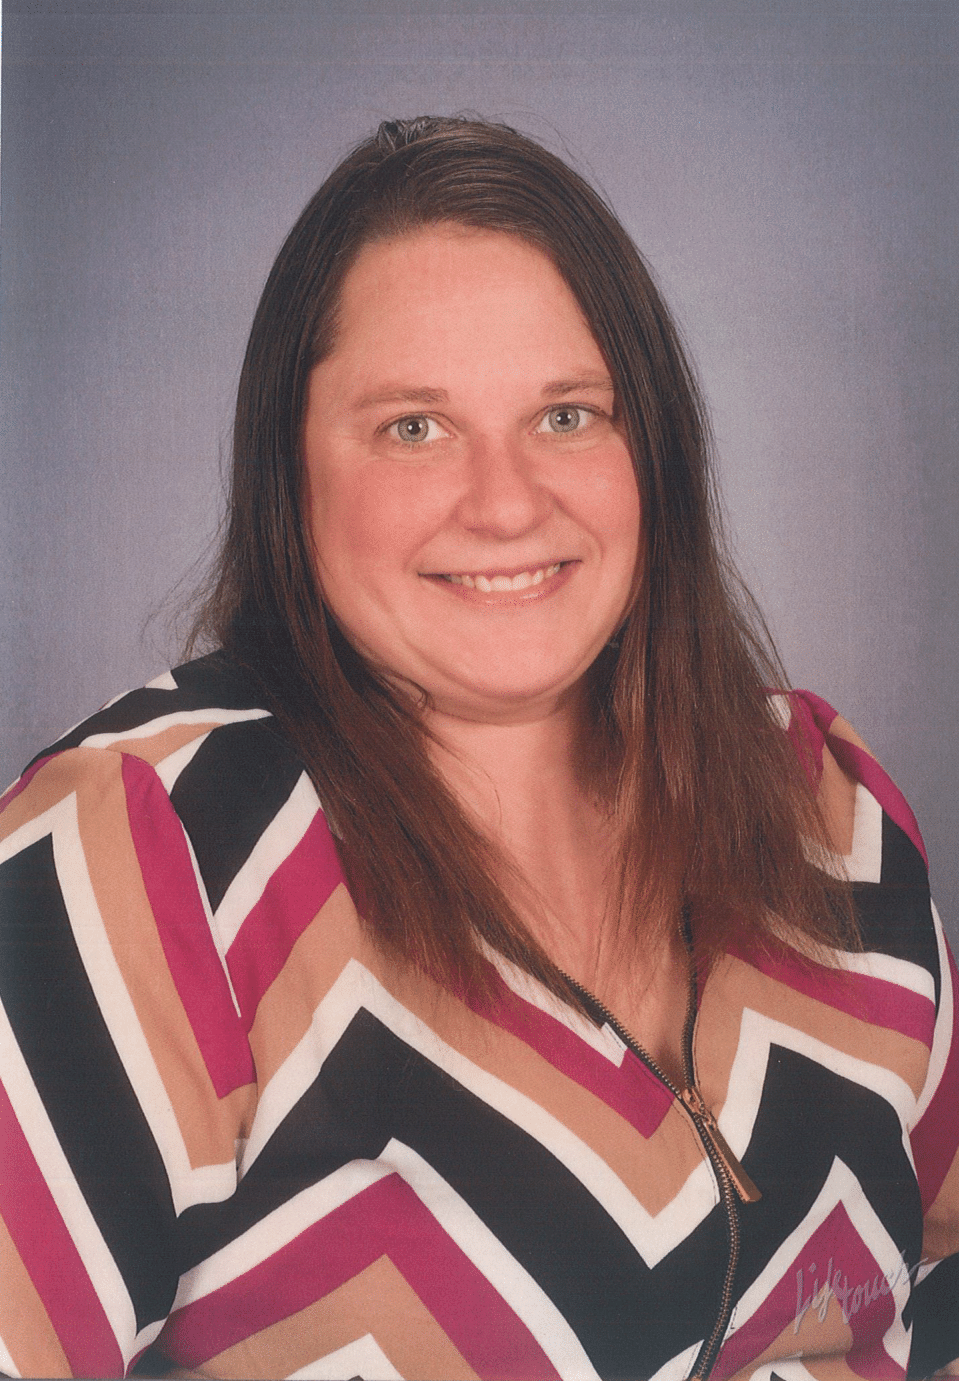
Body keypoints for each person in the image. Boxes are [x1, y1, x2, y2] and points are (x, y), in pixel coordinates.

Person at [0, 115, 956, 1380]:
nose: (506, 502)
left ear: (650, 451)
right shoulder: (139, 851)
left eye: (566, 415)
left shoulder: (821, 811)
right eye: (413, 427)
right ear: (288, 472)